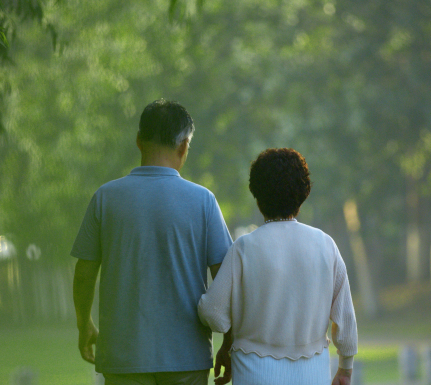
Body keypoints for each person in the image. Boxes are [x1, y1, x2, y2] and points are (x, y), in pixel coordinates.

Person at [72, 99, 233, 385]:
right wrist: (229, 342)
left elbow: (84, 275)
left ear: (138, 141)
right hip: (187, 357)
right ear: (184, 146)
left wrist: (84, 325)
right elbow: (226, 279)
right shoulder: (203, 201)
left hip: (123, 358)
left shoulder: (105, 198)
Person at [198, 148, 358, 385]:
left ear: (257, 194)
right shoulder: (326, 245)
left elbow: (213, 312)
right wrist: (345, 368)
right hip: (312, 375)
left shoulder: (243, 248)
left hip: (254, 374)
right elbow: (345, 321)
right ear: (304, 192)